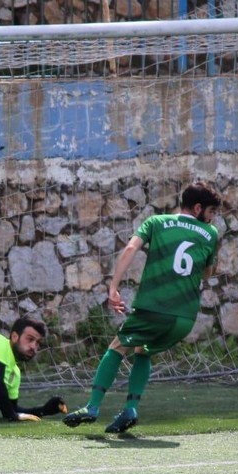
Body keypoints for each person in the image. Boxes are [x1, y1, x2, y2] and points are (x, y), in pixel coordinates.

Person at [63, 181, 222, 433]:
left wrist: (113, 287)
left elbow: (131, 248)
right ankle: (130, 409)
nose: (212, 218)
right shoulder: (211, 233)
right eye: (211, 211)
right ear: (197, 208)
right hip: (184, 319)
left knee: (117, 346)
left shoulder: (156, 222)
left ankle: (92, 407)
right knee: (143, 350)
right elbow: (207, 274)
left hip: (153, 308)